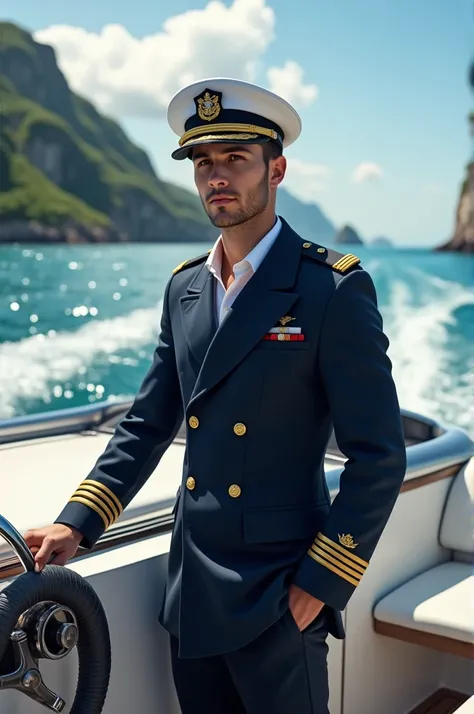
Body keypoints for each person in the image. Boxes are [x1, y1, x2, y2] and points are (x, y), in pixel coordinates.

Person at [24, 77, 407, 713]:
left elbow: (380, 456)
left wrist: (320, 584)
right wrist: (78, 520)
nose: (217, 176)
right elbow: (148, 420)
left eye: (236, 159)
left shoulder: (330, 289)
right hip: (193, 590)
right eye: (204, 162)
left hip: (280, 592)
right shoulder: (185, 290)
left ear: (276, 168)